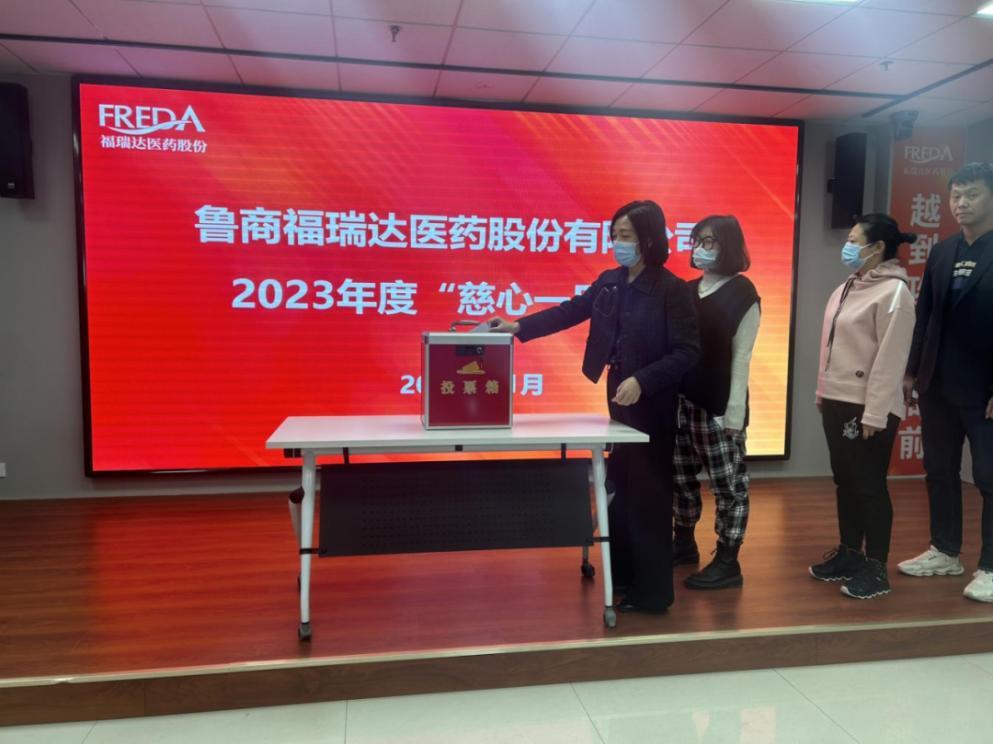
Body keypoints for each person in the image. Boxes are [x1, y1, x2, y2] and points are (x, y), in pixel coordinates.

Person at [490, 200, 700, 613]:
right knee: (620, 487)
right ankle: (623, 576)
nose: (618, 243)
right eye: (614, 235)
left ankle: (653, 593)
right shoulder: (611, 281)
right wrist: (519, 326)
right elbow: (571, 311)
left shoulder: (671, 289)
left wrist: (643, 380)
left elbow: (687, 352)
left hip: (652, 403)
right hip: (619, 393)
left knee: (649, 494)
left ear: (649, 239)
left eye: (626, 236)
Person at [898, 162, 993, 603]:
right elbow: (925, 317)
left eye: (972, 194)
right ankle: (945, 550)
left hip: (985, 389)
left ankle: (991, 565)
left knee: (989, 477)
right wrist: (911, 371)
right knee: (939, 470)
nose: (961, 203)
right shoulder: (942, 251)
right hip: (937, 382)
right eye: (956, 195)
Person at [809, 214, 917, 599]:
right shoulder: (847, 287)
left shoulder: (895, 294)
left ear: (878, 248)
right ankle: (851, 553)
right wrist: (822, 391)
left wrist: (875, 412)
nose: (848, 246)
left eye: (855, 240)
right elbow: (830, 344)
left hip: (868, 406)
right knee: (846, 480)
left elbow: (891, 359)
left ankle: (877, 568)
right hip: (837, 400)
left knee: (869, 485)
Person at [671, 215, 760, 590]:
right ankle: (683, 543)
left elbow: (742, 358)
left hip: (719, 407)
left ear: (729, 246)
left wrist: (733, 415)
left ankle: (727, 560)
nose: (700, 248)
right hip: (681, 403)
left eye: (710, 241)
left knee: (728, 486)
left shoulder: (743, 293)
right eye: (697, 240)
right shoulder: (687, 290)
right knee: (680, 479)